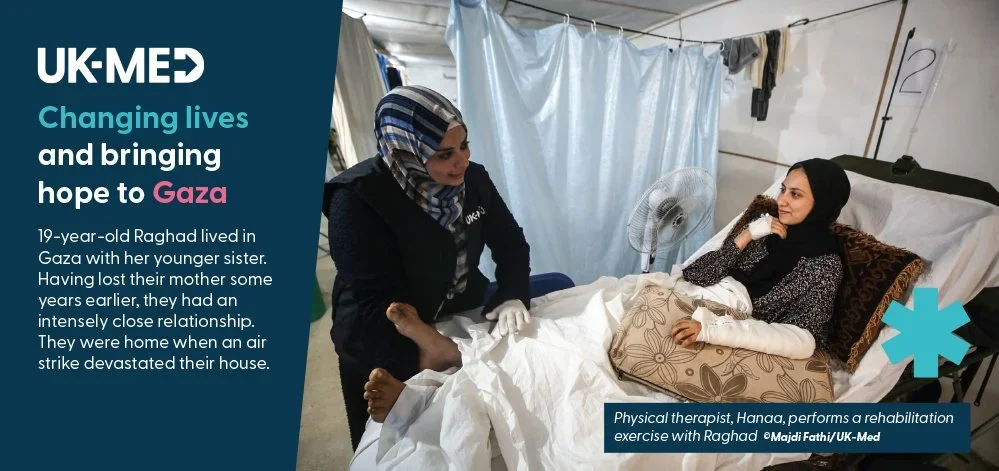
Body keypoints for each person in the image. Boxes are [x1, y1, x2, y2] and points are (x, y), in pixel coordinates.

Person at [321, 85, 534, 450]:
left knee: (486, 411)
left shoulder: (474, 181)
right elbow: (373, 303)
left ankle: (445, 354)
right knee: (392, 438)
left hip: (460, 307)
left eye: (464, 145)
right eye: (445, 153)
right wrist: (423, 352)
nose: (462, 162)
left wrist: (514, 292)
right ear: (406, 152)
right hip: (379, 332)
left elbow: (511, 243)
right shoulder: (357, 199)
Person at [670, 158, 851, 359]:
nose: (781, 201)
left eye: (795, 194)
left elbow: (801, 339)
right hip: (689, 296)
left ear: (823, 202)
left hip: (719, 326)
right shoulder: (766, 228)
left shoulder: (825, 266)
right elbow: (695, 274)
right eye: (783, 190)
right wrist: (745, 236)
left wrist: (711, 329)